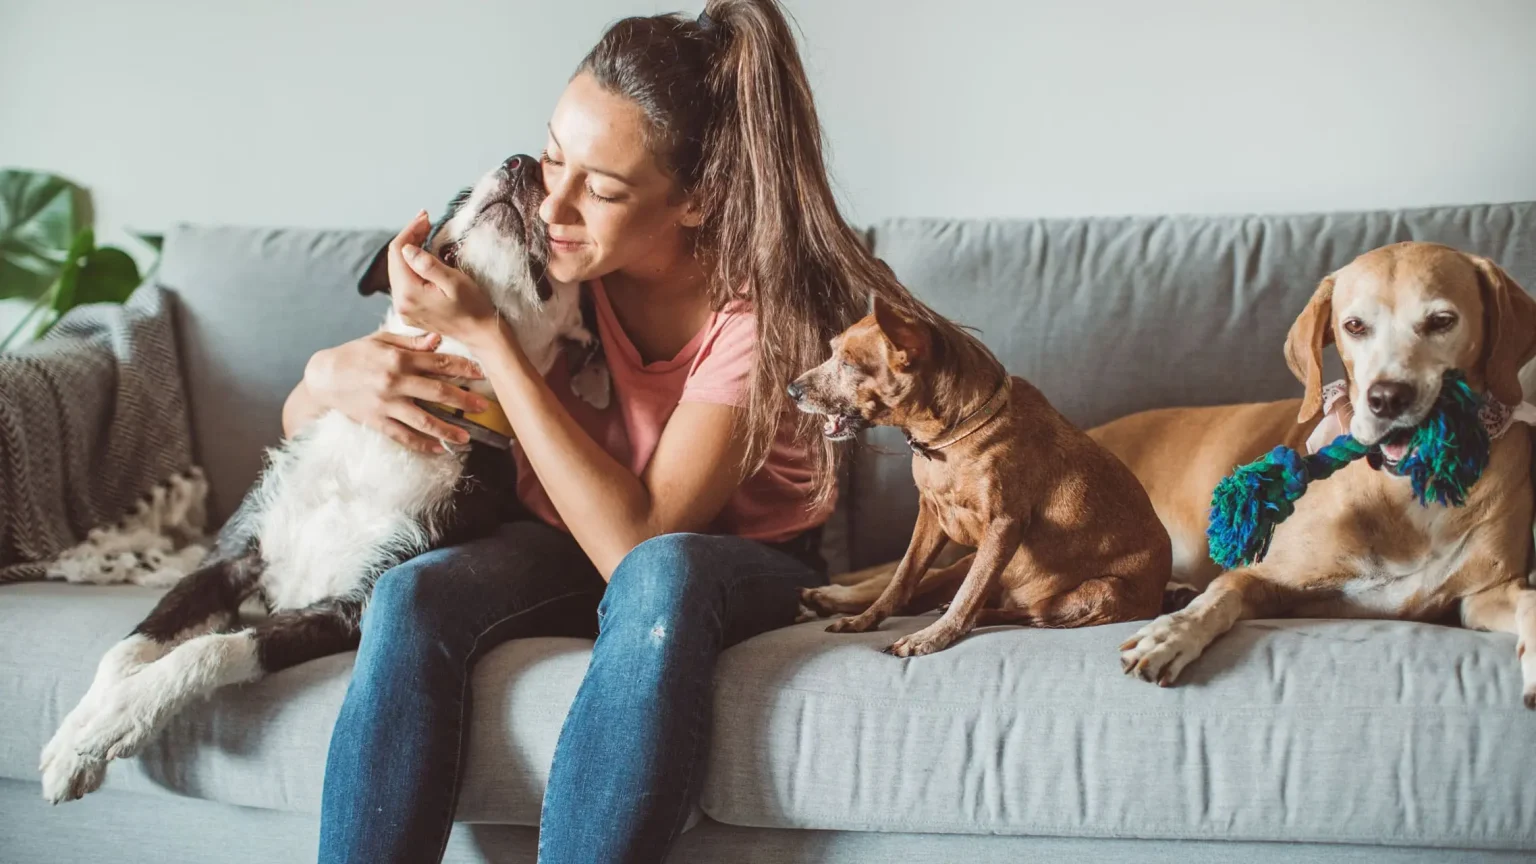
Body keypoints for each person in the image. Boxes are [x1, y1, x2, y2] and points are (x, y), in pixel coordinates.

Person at [288, 2, 927, 861]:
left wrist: (489, 342)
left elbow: (639, 547)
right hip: (555, 546)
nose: (552, 204)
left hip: (729, 569)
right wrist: (326, 375)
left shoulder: (758, 316)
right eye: (554, 155)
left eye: (603, 187)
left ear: (695, 201)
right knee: (412, 593)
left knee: (663, 573)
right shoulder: (543, 260)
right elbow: (304, 436)